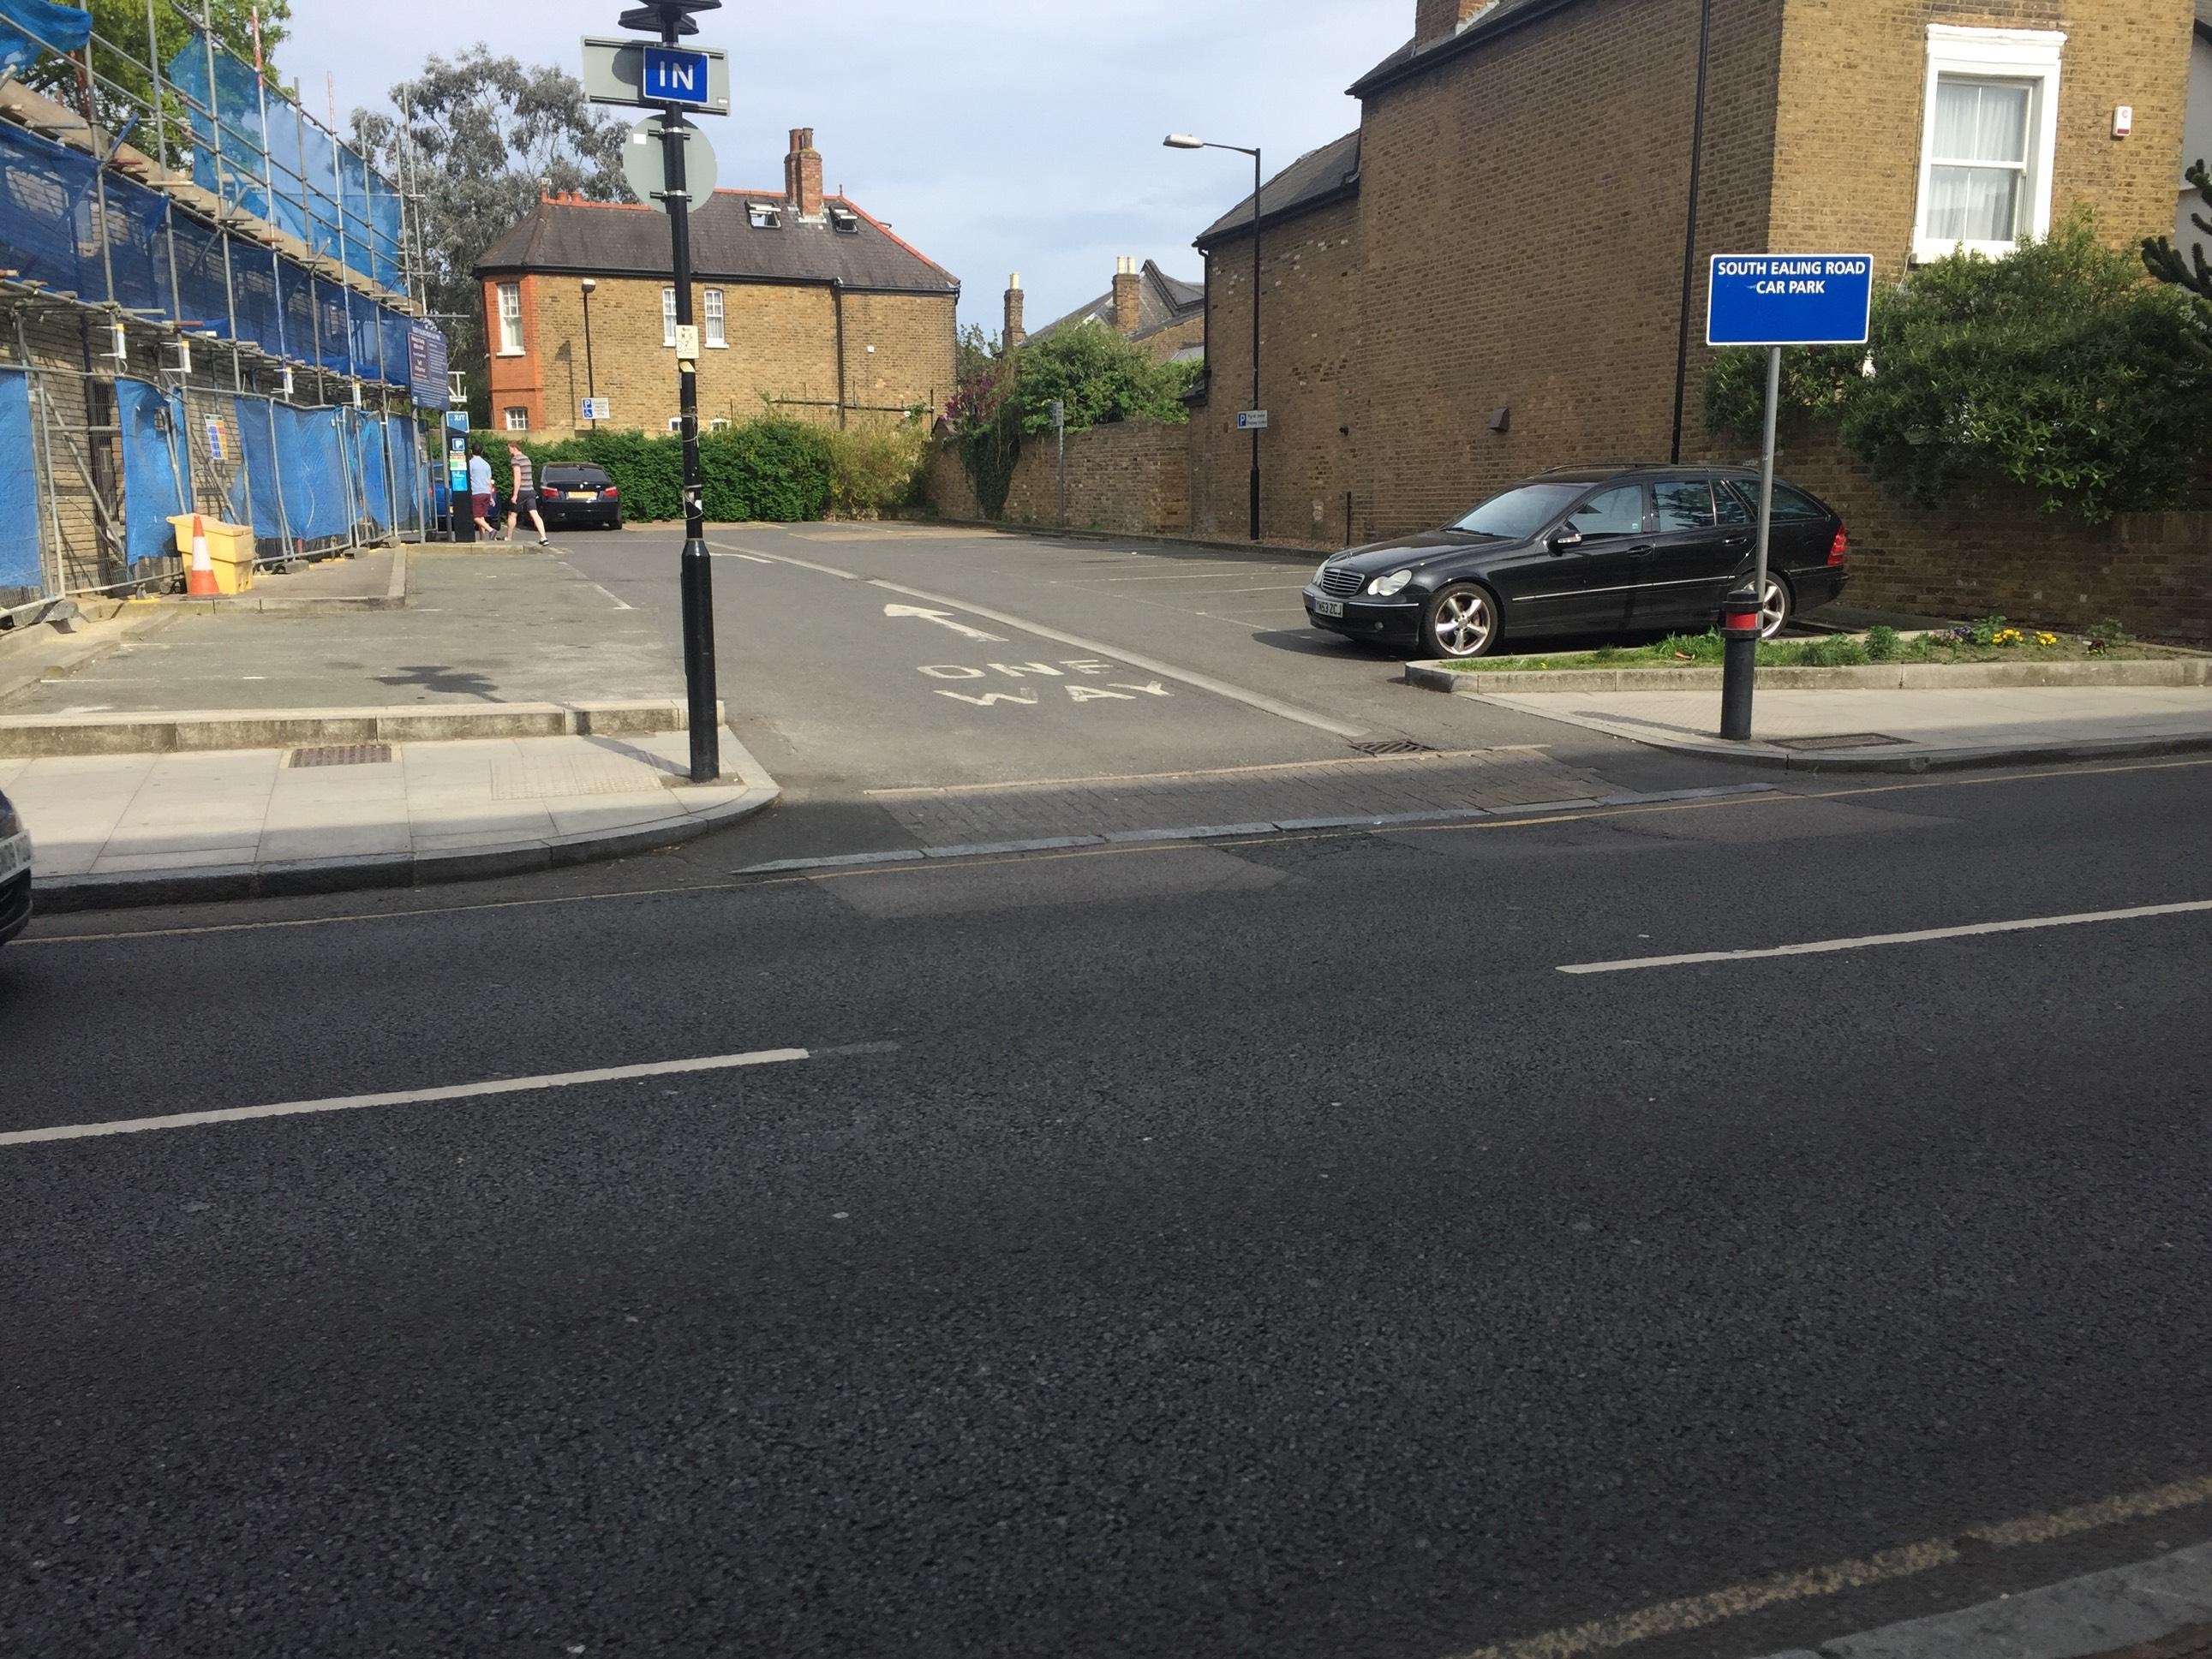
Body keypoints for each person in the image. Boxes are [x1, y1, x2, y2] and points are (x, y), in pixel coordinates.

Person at [506, 443, 547, 546]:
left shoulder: (515, 460)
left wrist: (515, 495)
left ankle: (508, 537)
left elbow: (517, 478)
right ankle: (543, 537)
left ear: (514, 448)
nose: (508, 451)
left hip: (521, 491)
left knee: (512, 514)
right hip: (530, 490)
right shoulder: (527, 458)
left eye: (509, 448)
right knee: (534, 513)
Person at [466, 450, 495, 541]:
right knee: (482, 517)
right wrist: (491, 497)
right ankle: (482, 538)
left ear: (472, 451)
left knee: (475, 517)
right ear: (481, 451)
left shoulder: (470, 463)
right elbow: (489, 481)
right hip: (486, 493)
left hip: (476, 493)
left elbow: (467, 477)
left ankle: (491, 530)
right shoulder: (487, 464)